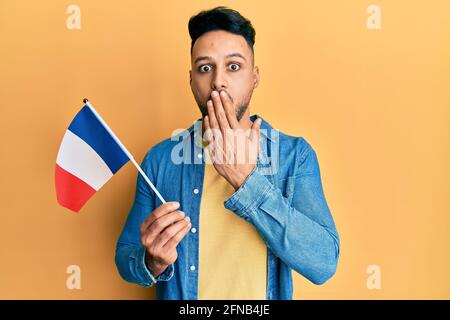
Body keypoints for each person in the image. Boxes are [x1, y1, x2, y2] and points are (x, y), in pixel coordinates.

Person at [115, 6, 340, 300]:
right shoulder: (159, 160)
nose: (218, 81)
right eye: (205, 68)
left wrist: (247, 181)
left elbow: (323, 263)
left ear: (254, 77)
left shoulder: (293, 156)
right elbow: (125, 259)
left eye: (233, 66)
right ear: (191, 79)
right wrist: (151, 261)